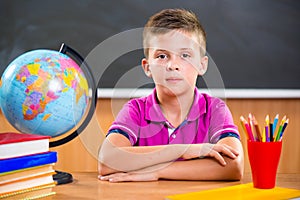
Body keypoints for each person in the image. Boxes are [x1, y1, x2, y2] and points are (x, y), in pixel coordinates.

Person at [98, 8, 244, 182]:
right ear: (147, 67)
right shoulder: (135, 110)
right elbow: (107, 161)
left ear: (202, 65)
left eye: (185, 55)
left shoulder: (215, 110)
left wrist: (157, 172)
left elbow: (233, 166)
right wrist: (184, 150)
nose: (173, 65)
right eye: (161, 56)